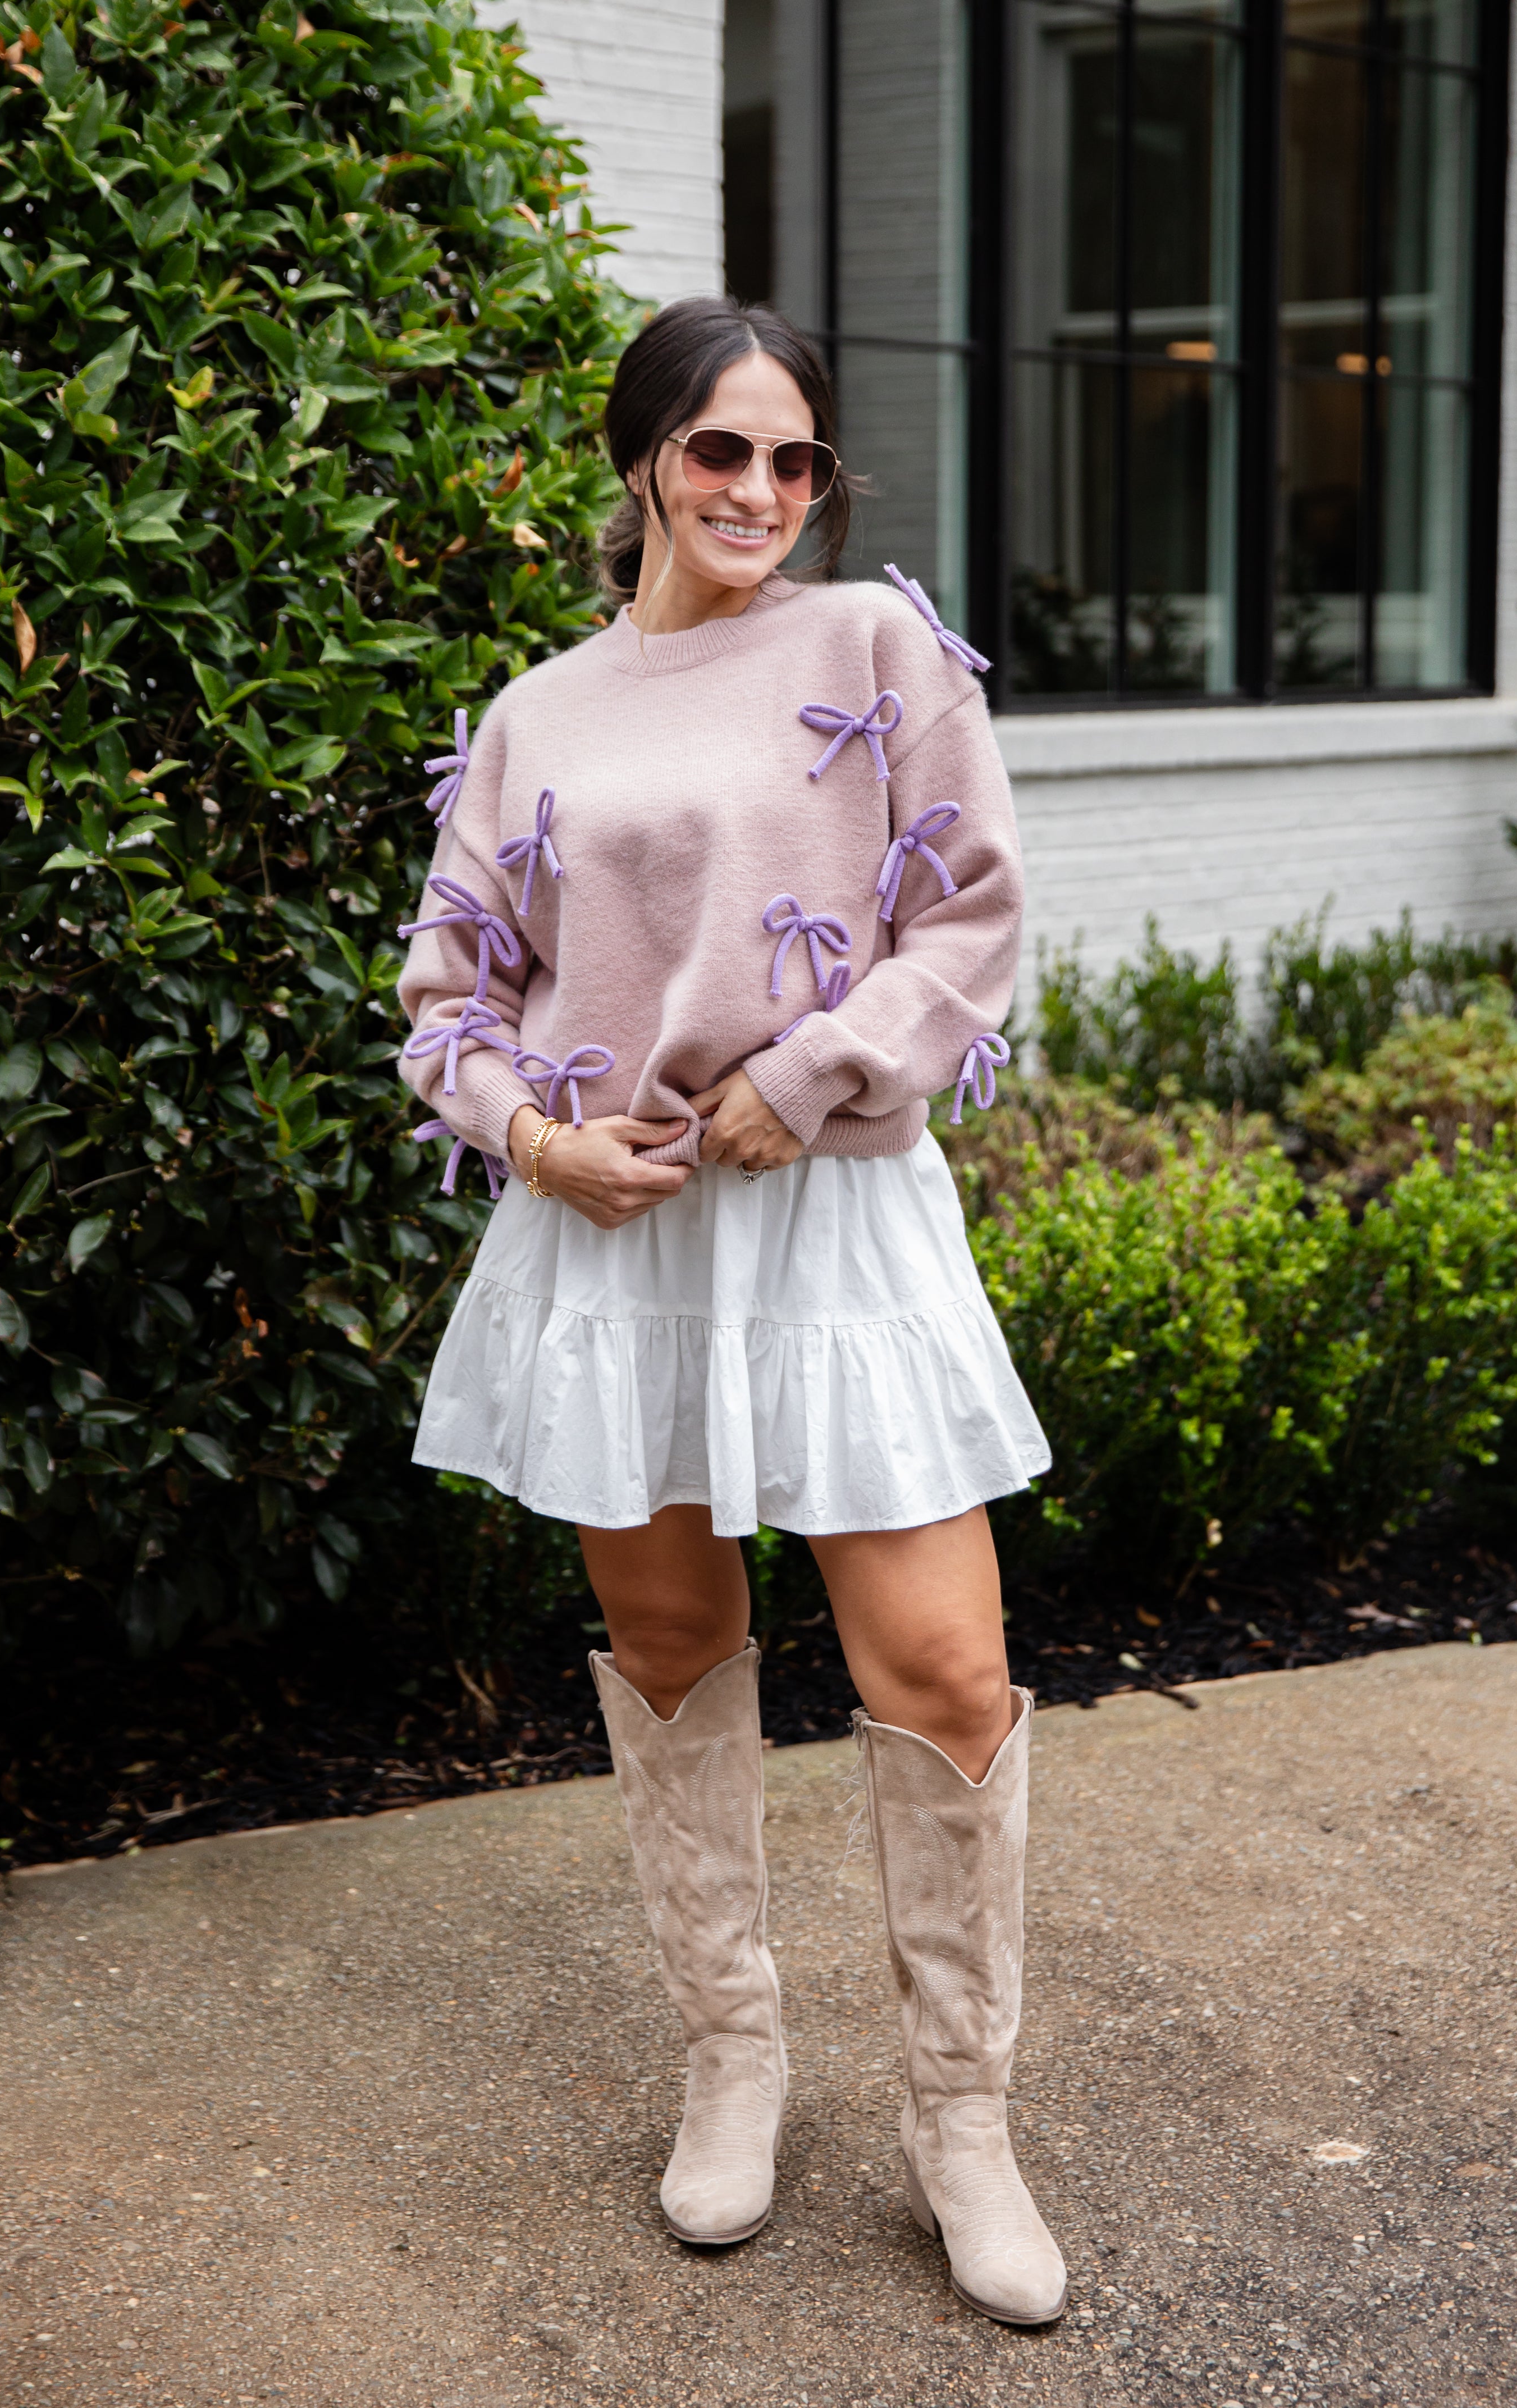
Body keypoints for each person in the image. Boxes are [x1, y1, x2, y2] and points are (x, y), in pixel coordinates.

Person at [397, 296, 1064, 2326]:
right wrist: (534, 1140)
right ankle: (733, 2058)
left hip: (834, 1210)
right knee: (674, 1641)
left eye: (794, 458)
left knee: (943, 1667)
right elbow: (446, 996)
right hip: (622, 1225)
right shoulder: (539, 713)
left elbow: (975, 914)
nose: (762, 492)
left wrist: (803, 1076)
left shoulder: (876, 650)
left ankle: (962, 2119)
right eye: (719, 453)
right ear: (643, 464)